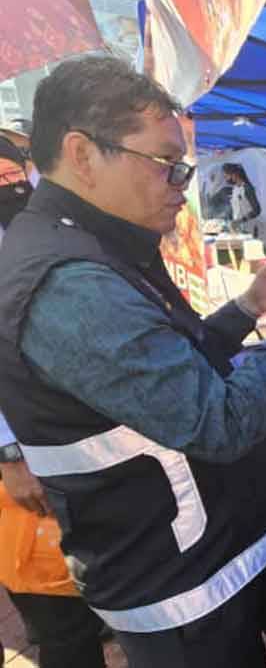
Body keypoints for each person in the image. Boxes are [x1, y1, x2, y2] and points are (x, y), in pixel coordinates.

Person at [0, 56, 266, 667]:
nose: (182, 184)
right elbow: (219, 420)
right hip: (171, 582)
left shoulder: (90, 247)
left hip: (190, 557)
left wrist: (246, 307)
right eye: (167, 165)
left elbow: (164, 366)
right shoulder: (66, 281)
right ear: (83, 153)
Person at [0, 121, 109, 668]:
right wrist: (10, 455)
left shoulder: (30, 222)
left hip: (58, 434)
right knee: (55, 612)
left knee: (80, 585)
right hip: (19, 456)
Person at [222, 162, 260, 233]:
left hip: (249, 228)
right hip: (238, 227)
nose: (225, 178)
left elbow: (257, 210)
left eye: (226, 176)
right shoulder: (235, 188)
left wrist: (241, 220)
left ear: (234, 175)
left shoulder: (247, 189)